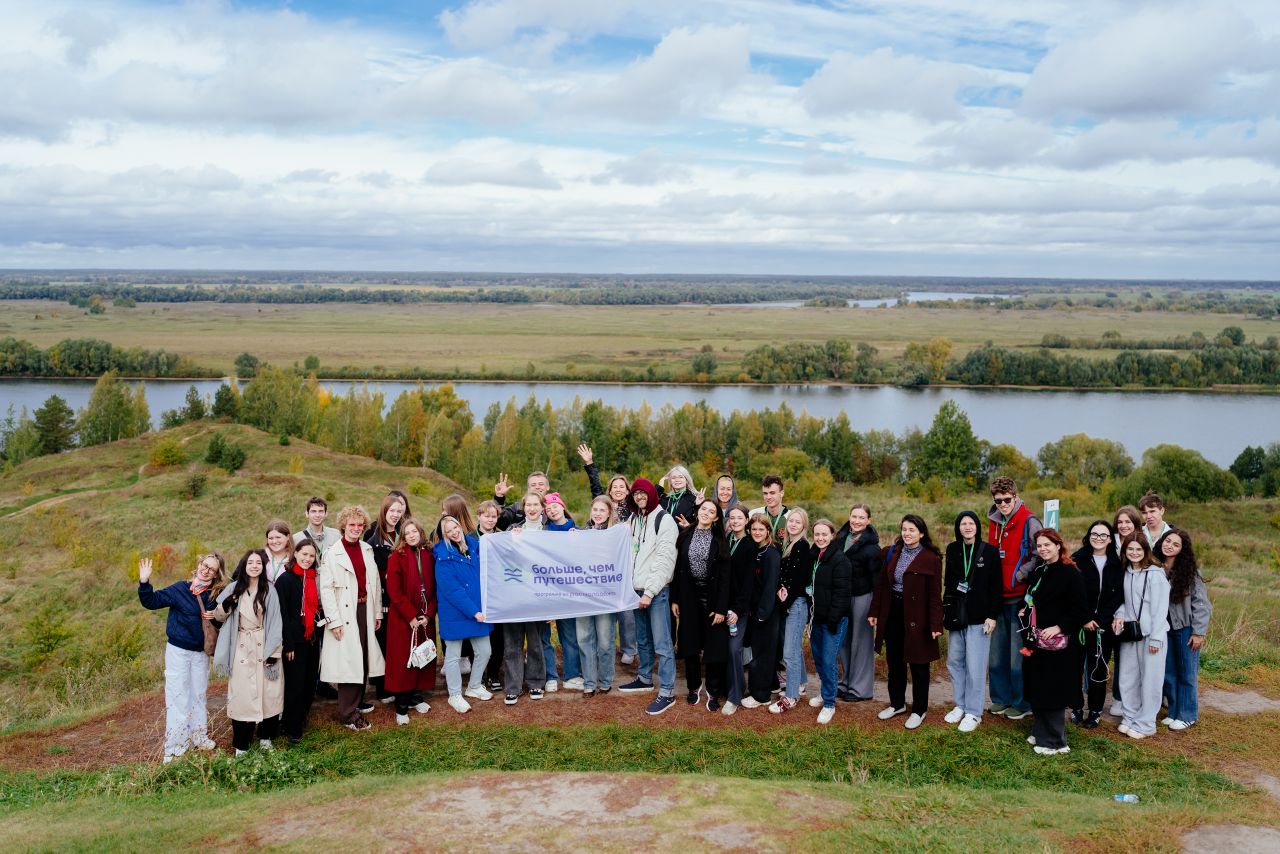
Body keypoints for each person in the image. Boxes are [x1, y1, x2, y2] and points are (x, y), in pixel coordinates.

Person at [137, 552, 225, 762]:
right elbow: (151, 601)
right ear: (198, 564)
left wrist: (216, 616)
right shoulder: (180, 589)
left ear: (216, 574)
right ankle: (175, 747)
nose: (206, 570)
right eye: (205, 565)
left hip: (200, 654)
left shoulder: (214, 596)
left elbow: (222, 621)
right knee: (177, 697)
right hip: (178, 651)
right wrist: (144, 581)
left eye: (212, 569)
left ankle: (199, 737)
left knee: (198, 695)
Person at [870, 515, 943, 729]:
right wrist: (875, 611)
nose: (907, 533)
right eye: (904, 529)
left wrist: (935, 624)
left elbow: (934, 595)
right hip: (893, 612)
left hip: (917, 618)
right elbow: (882, 585)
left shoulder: (931, 558)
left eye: (912, 530)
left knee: (919, 665)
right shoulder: (893, 552)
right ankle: (897, 704)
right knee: (895, 662)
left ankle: (919, 710)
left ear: (921, 533)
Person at [1020, 529, 1089, 755]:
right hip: (1037, 641)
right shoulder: (1040, 570)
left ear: (1058, 545)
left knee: (1053, 690)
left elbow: (1080, 609)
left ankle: (1055, 741)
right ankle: (1041, 731)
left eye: (1047, 544)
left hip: (1059, 644)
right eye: (1039, 546)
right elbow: (1031, 597)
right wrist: (1025, 609)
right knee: (1038, 686)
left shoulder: (1071, 573)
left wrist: (1059, 626)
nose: (1043, 549)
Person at [319, 506, 385, 731]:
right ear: (343, 526)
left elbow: (374, 583)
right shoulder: (332, 553)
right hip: (344, 613)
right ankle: (349, 714)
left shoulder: (367, 549)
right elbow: (325, 590)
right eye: (352, 525)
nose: (356, 529)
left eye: (360, 525)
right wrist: (334, 621)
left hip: (365, 609)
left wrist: (377, 612)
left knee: (363, 657)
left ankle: (357, 703)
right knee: (349, 661)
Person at [213, 549, 284, 756]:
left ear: (263, 567)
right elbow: (218, 615)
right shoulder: (234, 588)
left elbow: (276, 622)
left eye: (258, 563)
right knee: (242, 696)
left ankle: (266, 737)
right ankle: (241, 744)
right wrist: (226, 605)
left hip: (264, 644)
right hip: (241, 646)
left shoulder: (269, 590)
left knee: (269, 695)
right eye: (250, 562)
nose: (254, 566)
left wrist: (274, 652)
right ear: (244, 565)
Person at [617, 478, 679, 715]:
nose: (639, 497)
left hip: (656, 592)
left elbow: (664, 560)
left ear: (652, 494)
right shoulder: (635, 519)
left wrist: (651, 591)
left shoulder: (664, 521)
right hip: (636, 591)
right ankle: (644, 678)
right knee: (642, 639)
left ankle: (667, 691)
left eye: (644, 493)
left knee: (662, 644)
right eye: (636, 494)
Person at [986, 476, 1041, 720]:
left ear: (1016, 497)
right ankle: (1001, 699)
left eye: (1007, 500)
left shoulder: (1029, 520)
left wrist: (1021, 574)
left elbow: (1041, 553)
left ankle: (1022, 703)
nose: (1003, 504)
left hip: (1021, 599)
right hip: (997, 597)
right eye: (998, 501)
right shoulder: (993, 522)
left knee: (1018, 656)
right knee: (997, 656)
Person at [942, 511, 1001, 732]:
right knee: (955, 662)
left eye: (971, 523)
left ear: (977, 526)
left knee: (975, 666)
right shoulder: (953, 549)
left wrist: (992, 615)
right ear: (958, 528)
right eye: (963, 524)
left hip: (980, 618)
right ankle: (961, 704)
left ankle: (974, 713)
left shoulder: (990, 552)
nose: (967, 527)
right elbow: (949, 582)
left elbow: (996, 587)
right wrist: (946, 611)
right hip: (958, 616)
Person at [673, 498, 731, 710]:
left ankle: (713, 691)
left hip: (712, 598)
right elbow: (678, 569)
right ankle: (693, 687)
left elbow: (725, 578)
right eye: (703, 509)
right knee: (690, 644)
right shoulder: (685, 534)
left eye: (711, 511)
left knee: (714, 647)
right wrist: (675, 599)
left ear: (716, 517)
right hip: (689, 596)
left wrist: (721, 609)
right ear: (698, 512)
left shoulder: (720, 541)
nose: (706, 513)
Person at [1113, 535, 1171, 740]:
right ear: (1125, 551)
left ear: (1146, 550)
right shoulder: (1126, 572)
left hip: (1151, 635)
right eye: (1130, 549)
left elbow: (1160, 608)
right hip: (1130, 633)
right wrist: (1119, 616)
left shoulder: (1155, 574)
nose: (1134, 553)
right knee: (1128, 678)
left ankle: (1146, 723)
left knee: (1150, 680)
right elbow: (1123, 602)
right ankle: (1130, 716)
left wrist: (1156, 638)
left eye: (1138, 549)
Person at [433, 515, 494, 713]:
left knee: (485, 651)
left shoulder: (475, 545)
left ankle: (474, 686)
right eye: (448, 530)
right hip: (457, 612)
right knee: (453, 656)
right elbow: (452, 591)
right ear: (444, 535)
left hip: (477, 608)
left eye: (455, 527)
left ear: (460, 525)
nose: (454, 531)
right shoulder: (443, 556)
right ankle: (454, 694)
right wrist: (473, 611)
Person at [1070, 520, 1124, 729]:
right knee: (1075, 668)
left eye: (1103, 535)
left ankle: (1094, 711)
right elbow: (1073, 592)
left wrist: (1101, 619)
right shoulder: (1077, 559)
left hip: (1103, 626)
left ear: (1110, 539)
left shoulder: (1117, 563)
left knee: (1098, 669)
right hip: (1079, 625)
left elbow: (1118, 595)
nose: (1098, 538)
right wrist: (1084, 618)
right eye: (1095, 534)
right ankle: (1075, 707)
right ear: (1088, 535)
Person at [1157, 527, 1211, 731]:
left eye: (1176, 544)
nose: (1170, 546)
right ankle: (1174, 711)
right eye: (1168, 541)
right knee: (1169, 672)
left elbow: (1202, 603)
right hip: (1165, 629)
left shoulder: (1189, 572)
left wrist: (1198, 632)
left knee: (1187, 672)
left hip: (1186, 629)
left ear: (1182, 550)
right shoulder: (1156, 567)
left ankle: (1188, 714)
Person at [384, 519, 436, 725]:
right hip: (404, 618)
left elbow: (436, 589)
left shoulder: (428, 555)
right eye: (407, 533)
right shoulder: (396, 557)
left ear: (420, 533)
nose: (412, 535)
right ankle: (401, 706)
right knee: (403, 660)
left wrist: (428, 614)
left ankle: (416, 696)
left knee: (423, 655)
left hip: (425, 617)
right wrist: (411, 616)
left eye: (415, 531)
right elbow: (394, 591)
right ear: (402, 537)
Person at [275, 540, 322, 744]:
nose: (307, 559)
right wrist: (289, 644)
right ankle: (292, 728)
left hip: (311, 638)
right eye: (304, 554)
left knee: (310, 682)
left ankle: (300, 718)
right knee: (294, 685)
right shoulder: (285, 580)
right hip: (294, 642)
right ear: (295, 554)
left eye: (311, 556)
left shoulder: (312, 578)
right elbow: (282, 616)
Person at [503, 492, 548, 704]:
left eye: (535, 504)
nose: (531, 508)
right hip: (514, 595)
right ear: (523, 508)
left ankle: (536, 683)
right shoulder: (513, 530)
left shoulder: (549, 531)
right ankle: (512, 687)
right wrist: (511, 540)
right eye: (528, 505)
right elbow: (502, 556)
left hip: (537, 596)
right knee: (513, 642)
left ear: (542, 507)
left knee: (536, 642)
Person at [807, 519, 852, 725]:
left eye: (824, 534)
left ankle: (829, 704)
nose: (820, 538)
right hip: (817, 618)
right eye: (817, 534)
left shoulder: (840, 560)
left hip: (833, 620)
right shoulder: (815, 555)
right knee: (818, 658)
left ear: (833, 535)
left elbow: (842, 594)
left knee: (828, 659)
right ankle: (826, 693)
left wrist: (834, 619)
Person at [771, 507, 814, 714]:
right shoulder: (789, 544)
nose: (793, 524)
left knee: (789, 653)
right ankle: (800, 683)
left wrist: (785, 604)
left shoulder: (802, 546)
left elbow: (797, 581)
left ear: (804, 525)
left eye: (798, 522)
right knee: (794, 649)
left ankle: (791, 696)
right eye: (791, 521)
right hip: (789, 602)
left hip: (796, 605)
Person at [365, 493, 407, 703]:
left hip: (402, 598)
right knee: (383, 643)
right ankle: (383, 687)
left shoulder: (403, 534)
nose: (395, 515)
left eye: (399, 512)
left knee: (399, 643)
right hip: (383, 599)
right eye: (392, 511)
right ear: (384, 511)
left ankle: (400, 683)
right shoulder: (373, 540)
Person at [540, 493, 584, 691]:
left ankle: (572, 675)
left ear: (562, 506)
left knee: (570, 636)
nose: (552, 510)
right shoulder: (543, 532)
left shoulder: (576, 530)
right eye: (548, 509)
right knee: (544, 636)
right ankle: (550, 676)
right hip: (547, 590)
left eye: (554, 506)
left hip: (569, 593)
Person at [577, 496, 620, 696]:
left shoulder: (616, 535)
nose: (597, 513)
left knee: (604, 640)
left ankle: (605, 679)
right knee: (584, 638)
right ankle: (588, 681)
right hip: (584, 595)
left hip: (605, 596)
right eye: (595, 509)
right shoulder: (581, 534)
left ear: (609, 513)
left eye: (602, 510)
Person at [836, 503, 880, 703]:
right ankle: (845, 682)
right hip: (842, 595)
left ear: (868, 520)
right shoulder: (839, 538)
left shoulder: (872, 548)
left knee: (860, 642)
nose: (857, 521)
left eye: (862, 518)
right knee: (844, 641)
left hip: (863, 597)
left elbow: (877, 580)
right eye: (854, 516)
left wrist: (875, 608)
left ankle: (860, 689)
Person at [741, 514, 782, 709]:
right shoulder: (756, 550)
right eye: (754, 529)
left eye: (761, 529)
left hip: (766, 613)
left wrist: (762, 614)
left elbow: (770, 587)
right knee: (766, 653)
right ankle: (772, 685)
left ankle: (760, 695)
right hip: (755, 610)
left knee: (761, 656)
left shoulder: (771, 554)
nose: (757, 532)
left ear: (768, 531)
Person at [720, 504, 754, 716]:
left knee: (735, 650)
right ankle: (730, 688)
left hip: (739, 610)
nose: (735, 521)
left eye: (739, 518)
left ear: (746, 520)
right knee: (724, 649)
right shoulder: (727, 541)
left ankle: (735, 697)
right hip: (723, 606)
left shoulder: (749, 545)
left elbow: (748, 583)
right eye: (731, 518)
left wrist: (737, 610)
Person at [1108, 505, 1142, 714]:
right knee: (1108, 653)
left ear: (1135, 523)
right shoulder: (1110, 541)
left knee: (1125, 655)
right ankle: (1113, 696)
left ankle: (1121, 698)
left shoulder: (1139, 542)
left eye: (1128, 522)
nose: (1123, 525)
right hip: (1110, 602)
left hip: (1130, 604)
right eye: (1120, 522)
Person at [750, 474, 789, 542]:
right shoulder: (753, 514)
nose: (768, 497)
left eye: (772, 493)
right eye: (765, 493)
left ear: (782, 493)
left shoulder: (791, 517)